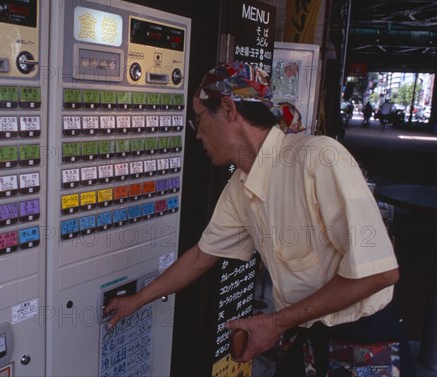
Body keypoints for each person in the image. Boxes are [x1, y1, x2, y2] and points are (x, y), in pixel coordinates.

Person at [104, 61, 413, 376]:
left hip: (363, 341)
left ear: (227, 109)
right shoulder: (241, 185)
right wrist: (138, 300)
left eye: (198, 121)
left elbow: (379, 273)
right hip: (303, 335)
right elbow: (201, 256)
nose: (198, 137)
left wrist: (275, 323)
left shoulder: (319, 158)